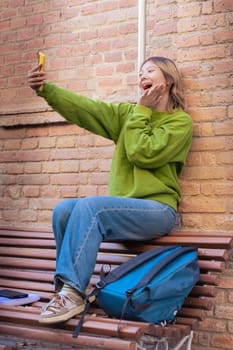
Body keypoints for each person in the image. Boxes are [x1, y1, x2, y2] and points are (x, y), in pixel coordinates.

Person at [27, 56, 193, 325]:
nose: (142, 75)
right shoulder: (128, 115)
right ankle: (66, 292)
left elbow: (143, 153)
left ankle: (72, 292)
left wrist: (141, 111)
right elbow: (87, 110)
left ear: (169, 80)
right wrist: (47, 91)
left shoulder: (179, 123)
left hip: (158, 211)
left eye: (150, 70)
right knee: (64, 210)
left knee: (92, 206)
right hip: (123, 210)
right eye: (140, 72)